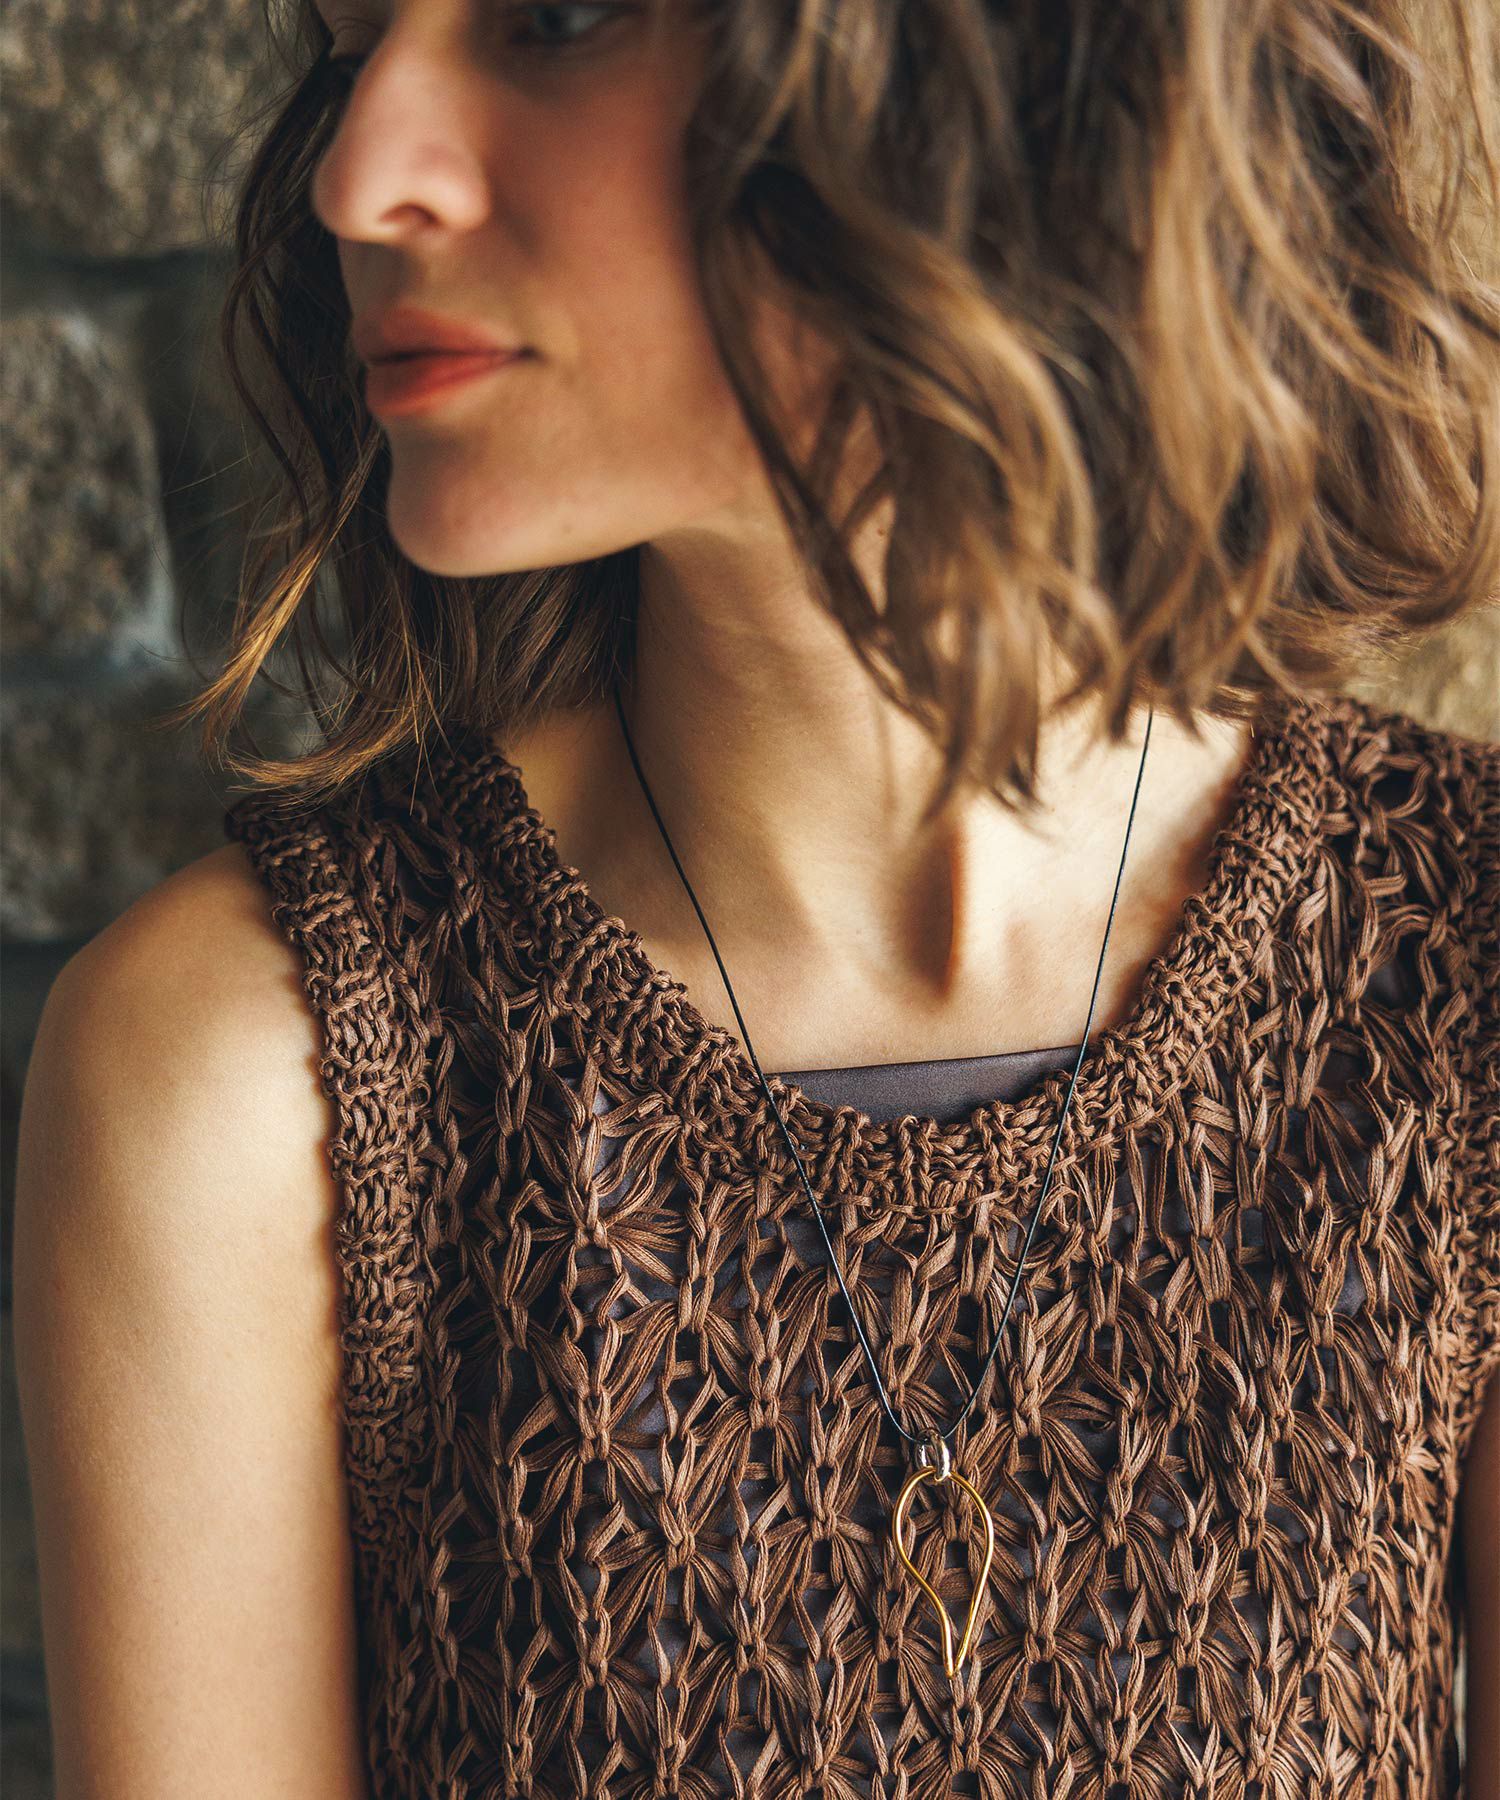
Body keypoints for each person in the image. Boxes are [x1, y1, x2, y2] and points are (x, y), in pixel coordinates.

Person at [13, 0, 1499, 1793]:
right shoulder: (254, 1091)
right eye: (350, 40)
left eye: (557, 15)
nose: (356, 176)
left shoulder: (1455, 976)